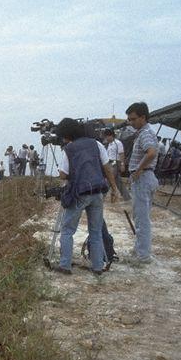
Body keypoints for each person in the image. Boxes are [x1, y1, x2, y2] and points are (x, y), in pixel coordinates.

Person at [52, 118, 119, 277]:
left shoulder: (69, 149)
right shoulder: (97, 144)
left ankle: (65, 265)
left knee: (68, 230)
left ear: (67, 135)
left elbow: (63, 175)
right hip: (97, 192)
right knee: (95, 232)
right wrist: (114, 188)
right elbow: (107, 168)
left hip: (79, 193)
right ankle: (97, 267)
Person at [125, 101, 159, 266]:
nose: (131, 122)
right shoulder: (144, 132)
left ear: (143, 117)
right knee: (139, 216)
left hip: (143, 178)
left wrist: (138, 170)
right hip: (145, 177)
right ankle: (140, 248)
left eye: (133, 119)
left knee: (142, 219)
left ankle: (143, 255)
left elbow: (151, 153)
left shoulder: (145, 133)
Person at [103, 129, 130, 201]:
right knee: (118, 181)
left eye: (106, 137)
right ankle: (127, 197)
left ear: (111, 136)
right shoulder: (109, 144)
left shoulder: (118, 143)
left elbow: (121, 154)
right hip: (110, 162)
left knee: (109, 178)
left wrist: (122, 164)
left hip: (115, 162)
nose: (106, 138)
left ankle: (102, 196)